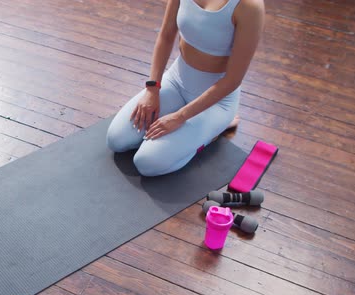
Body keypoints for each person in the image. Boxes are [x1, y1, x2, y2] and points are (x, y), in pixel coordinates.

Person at [106, 0, 265, 176]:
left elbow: (233, 80)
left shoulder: (249, 7)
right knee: (116, 140)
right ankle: (191, 133)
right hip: (176, 80)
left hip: (216, 102)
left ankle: (215, 131)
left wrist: (180, 116)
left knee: (146, 163)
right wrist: (153, 88)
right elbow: (166, 36)